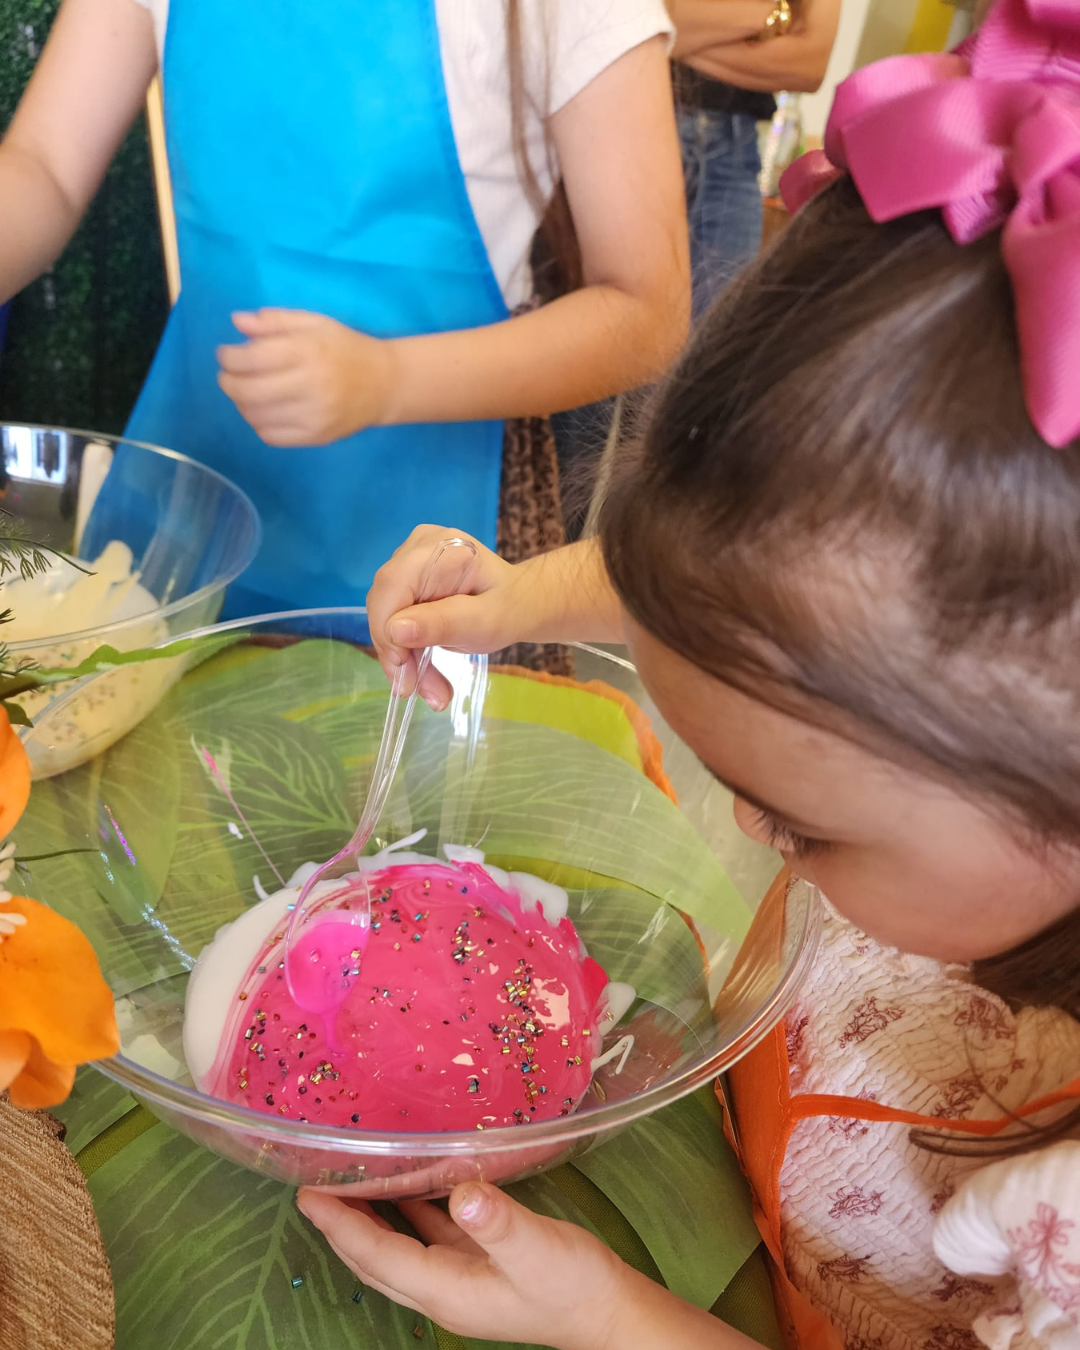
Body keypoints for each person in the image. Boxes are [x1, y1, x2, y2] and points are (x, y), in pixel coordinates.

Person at [298, 2, 1080, 1346]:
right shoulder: (941, 743)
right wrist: (516, 595)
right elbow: (760, 599)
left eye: (803, 825)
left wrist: (614, 1319)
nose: (751, 833)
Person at [0, 0, 688, 618]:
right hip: (188, 515)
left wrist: (386, 380)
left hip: (441, 545)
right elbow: (45, 168)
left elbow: (646, 311)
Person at [670, 0, 841, 315]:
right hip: (633, 125)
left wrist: (661, 35)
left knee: (719, 333)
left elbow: (810, 64)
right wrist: (777, 14)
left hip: (733, 156)